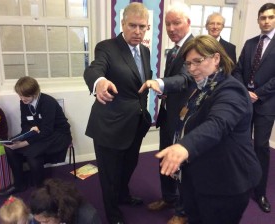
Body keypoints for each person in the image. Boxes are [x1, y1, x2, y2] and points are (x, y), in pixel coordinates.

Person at [144, 35, 261, 224]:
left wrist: (184, 146)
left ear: (216, 58)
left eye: (197, 62)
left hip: (227, 181)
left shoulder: (231, 90)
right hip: (202, 176)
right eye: (188, 64)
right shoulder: (203, 87)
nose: (192, 69)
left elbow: (218, 123)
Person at [83, 2, 152, 224]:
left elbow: (138, 86)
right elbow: (94, 68)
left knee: (128, 167)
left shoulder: (145, 50)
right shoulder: (107, 47)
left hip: (136, 124)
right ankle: (113, 214)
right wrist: (99, 82)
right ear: (122, 24)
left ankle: (123, 195)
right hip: (110, 126)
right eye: (133, 25)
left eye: (143, 27)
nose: (138, 31)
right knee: (109, 176)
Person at [146, 2, 192, 224]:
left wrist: (160, 83)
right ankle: (168, 198)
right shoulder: (174, 49)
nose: (172, 28)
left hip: (185, 118)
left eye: (177, 23)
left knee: (180, 165)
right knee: (164, 158)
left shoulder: (194, 47)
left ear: (188, 23)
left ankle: (182, 211)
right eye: (168, 24)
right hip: (168, 116)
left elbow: (185, 79)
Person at [232, 2, 275, 213]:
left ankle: (260, 192)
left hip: (266, 104)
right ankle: (241, 183)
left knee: (260, 147)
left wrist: (259, 94)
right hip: (244, 101)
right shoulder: (249, 44)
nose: (266, 21)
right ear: (258, 20)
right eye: (263, 17)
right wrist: (244, 91)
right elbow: (238, 70)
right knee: (241, 143)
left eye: (270, 17)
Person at [0, 76, 72, 196]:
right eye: (20, 96)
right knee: (9, 147)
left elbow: (47, 130)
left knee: (33, 152)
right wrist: (24, 135)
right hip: (37, 133)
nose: (22, 99)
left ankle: (40, 190)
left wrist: (24, 143)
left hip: (57, 134)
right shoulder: (24, 102)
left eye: (25, 96)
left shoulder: (48, 102)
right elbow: (25, 124)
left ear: (35, 93)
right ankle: (19, 184)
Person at [29, 178, 101, 224]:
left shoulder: (88, 219)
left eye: (46, 221)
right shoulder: (41, 213)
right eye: (39, 222)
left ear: (59, 212)